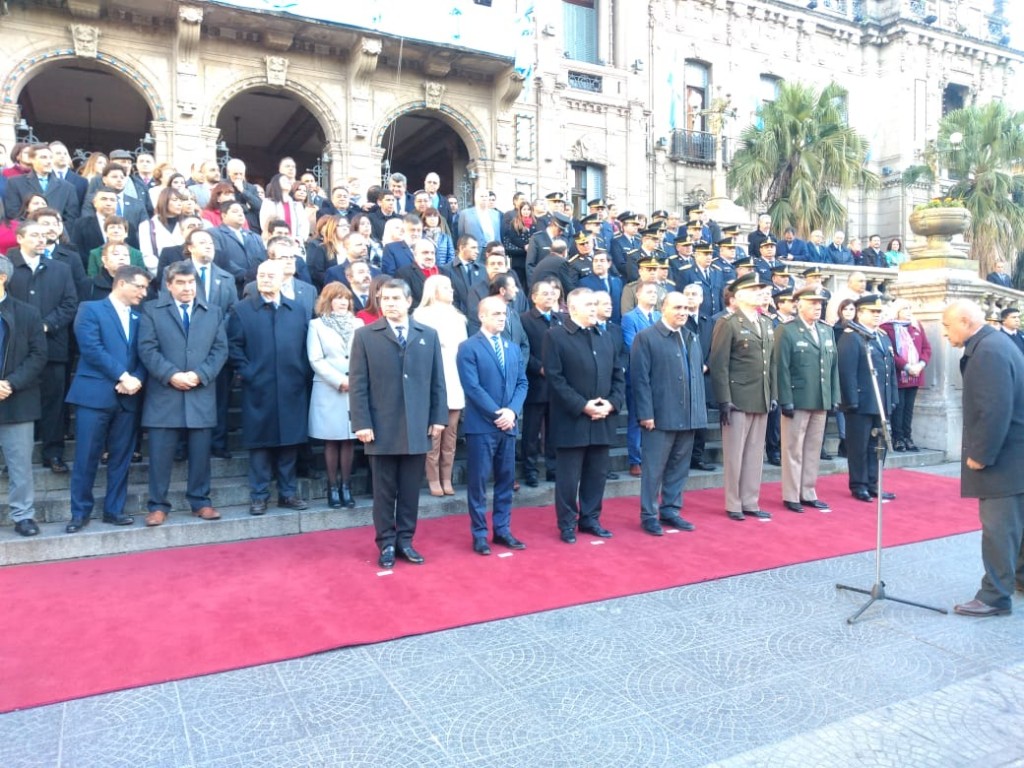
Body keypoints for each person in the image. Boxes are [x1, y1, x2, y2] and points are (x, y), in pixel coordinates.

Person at [349, 278, 448, 568]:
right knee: (383, 492)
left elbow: (437, 381)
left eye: (395, 298)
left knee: (409, 491)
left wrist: (438, 417)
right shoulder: (365, 335)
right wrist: (361, 422)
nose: (390, 304)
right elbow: (358, 384)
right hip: (381, 427)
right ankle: (386, 544)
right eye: (385, 299)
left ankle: (405, 540)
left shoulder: (428, 335)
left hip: (417, 425)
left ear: (408, 301)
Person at [941, 300, 1024, 617]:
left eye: (947, 325)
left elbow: (994, 408)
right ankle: (1018, 579)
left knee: (999, 529)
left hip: (1003, 457)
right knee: (1016, 524)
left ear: (965, 321)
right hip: (1014, 453)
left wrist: (981, 454)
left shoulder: (988, 351)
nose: (945, 332)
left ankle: (994, 596)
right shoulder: (996, 343)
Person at [137, 261, 229, 526]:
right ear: (169, 285)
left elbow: (220, 350)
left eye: (191, 282)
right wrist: (171, 375)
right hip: (164, 394)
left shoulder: (213, 312)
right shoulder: (152, 310)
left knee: (200, 455)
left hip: (200, 393)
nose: (187, 288)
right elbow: (147, 348)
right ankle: (157, 505)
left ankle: (200, 501)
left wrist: (200, 375)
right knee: (160, 456)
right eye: (181, 283)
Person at [65, 265, 150, 533]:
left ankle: (114, 510)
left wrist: (136, 379)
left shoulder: (140, 318)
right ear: (122, 283)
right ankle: (80, 513)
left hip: (128, 397)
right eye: (140, 286)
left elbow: (145, 352)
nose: (144, 293)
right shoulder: (90, 309)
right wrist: (123, 376)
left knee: (122, 458)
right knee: (86, 456)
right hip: (94, 396)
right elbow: (91, 348)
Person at [228, 259, 312, 515]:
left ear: (282, 280)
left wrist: (301, 373)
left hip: (292, 387)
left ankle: (288, 493)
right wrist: (248, 372)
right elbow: (234, 347)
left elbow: (305, 346)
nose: (265, 279)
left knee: (289, 443)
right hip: (258, 387)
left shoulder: (297, 310)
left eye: (270, 275)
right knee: (260, 444)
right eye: (261, 275)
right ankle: (259, 495)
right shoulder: (242, 310)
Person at [542, 287, 625, 543]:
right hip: (572, 420)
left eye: (595, 304)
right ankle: (567, 523)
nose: (594, 308)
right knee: (568, 478)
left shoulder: (605, 336)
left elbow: (618, 376)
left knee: (596, 474)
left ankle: (591, 519)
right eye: (589, 304)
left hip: (602, 418)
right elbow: (555, 379)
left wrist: (611, 404)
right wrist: (582, 406)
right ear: (572, 308)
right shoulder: (555, 336)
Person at [456, 295, 529, 554]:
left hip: (508, 425)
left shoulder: (512, 348)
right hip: (482, 426)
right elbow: (472, 386)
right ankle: (479, 534)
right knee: (478, 483)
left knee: (506, 480)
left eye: (504, 314)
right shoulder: (468, 347)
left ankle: (502, 530)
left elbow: (522, 383)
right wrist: (498, 413)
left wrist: (512, 412)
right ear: (482, 316)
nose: (502, 318)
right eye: (496, 313)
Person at [630, 291, 707, 535]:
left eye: (686, 308)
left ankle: (671, 510)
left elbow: (696, 376)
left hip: (688, 416)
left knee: (679, 468)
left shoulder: (691, 336)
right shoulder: (646, 337)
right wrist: (646, 414)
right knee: (653, 470)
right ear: (663, 309)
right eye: (677, 308)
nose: (683, 312)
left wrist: (698, 413)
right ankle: (649, 515)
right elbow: (640, 380)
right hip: (659, 416)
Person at [709, 272, 776, 521]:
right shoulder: (728, 323)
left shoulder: (766, 322)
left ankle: (750, 500)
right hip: (737, 398)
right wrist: (724, 399)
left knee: (755, 454)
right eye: (753, 290)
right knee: (735, 454)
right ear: (737, 296)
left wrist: (773, 393)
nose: (759, 294)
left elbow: (771, 363)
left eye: (760, 290)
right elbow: (719, 365)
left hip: (761, 395)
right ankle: (734, 503)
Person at [773, 287, 839, 513]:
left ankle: (808, 491)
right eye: (812, 303)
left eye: (820, 303)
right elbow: (781, 367)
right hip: (798, 398)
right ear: (799, 304)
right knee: (793, 449)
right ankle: (791, 495)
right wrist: (785, 399)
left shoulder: (826, 330)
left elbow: (833, 367)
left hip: (820, 398)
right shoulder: (787, 330)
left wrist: (834, 396)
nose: (817, 307)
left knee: (813, 448)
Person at [0, 255, 48, 537]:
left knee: (20, 465)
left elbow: (38, 355)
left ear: (2, 278)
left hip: (17, 399)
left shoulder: (27, 313)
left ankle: (23, 515)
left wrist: (11, 383)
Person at [307, 281, 364, 509]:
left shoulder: (358, 323)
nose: (343, 302)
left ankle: (346, 487)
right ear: (328, 301)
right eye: (338, 298)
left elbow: (364, 354)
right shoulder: (317, 325)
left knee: (349, 438)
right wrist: (339, 380)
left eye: (346, 298)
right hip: (329, 388)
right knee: (331, 439)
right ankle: (332, 487)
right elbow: (315, 358)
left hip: (355, 387)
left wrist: (355, 379)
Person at [837, 294, 898, 503]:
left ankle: (873, 483)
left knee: (877, 446)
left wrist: (892, 397)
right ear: (860, 313)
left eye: (879, 312)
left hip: (881, 401)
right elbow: (847, 372)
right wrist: (851, 400)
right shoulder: (852, 337)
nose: (876, 315)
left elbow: (890, 371)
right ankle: (859, 484)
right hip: (861, 402)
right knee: (859, 447)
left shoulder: (882, 336)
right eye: (872, 312)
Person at [413, 274, 467, 496]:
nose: (451, 290)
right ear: (433, 290)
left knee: (451, 435)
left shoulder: (458, 317)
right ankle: (433, 478)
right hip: (432, 378)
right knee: (434, 434)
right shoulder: (421, 316)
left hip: (455, 377)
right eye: (445, 287)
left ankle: (447, 477)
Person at [520, 279, 562, 487]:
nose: (550, 296)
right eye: (545, 293)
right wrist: (540, 368)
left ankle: (553, 469)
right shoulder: (525, 320)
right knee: (531, 431)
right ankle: (530, 470)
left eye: (552, 293)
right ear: (534, 297)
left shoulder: (560, 319)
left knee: (554, 431)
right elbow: (523, 350)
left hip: (557, 386)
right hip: (536, 383)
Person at [880, 299, 931, 452]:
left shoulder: (916, 325)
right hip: (899, 374)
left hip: (915, 373)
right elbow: (890, 352)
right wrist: (906, 366)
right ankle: (898, 438)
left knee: (909, 408)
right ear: (897, 311)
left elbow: (926, 348)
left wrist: (921, 364)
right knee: (899, 407)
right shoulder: (886, 327)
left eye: (910, 308)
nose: (908, 311)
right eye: (905, 308)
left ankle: (908, 437)